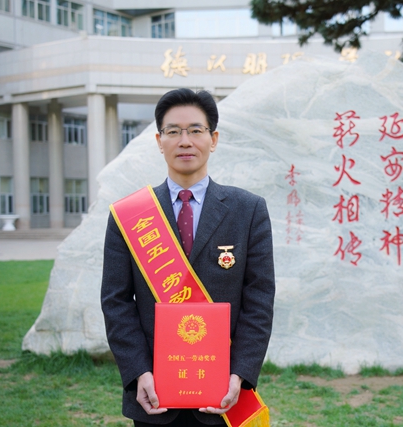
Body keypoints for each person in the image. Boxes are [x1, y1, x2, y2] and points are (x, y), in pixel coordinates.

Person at [101, 88, 275, 426]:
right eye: (173, 131)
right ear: (159, 140)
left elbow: (259, 298)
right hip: (153, 396)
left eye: (196, 130)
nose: (185, 141)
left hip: (224, 394)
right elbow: (116, 301)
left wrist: (240, 374)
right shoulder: (130, 215)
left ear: (213, 139)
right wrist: (139, 372)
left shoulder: (248, 210)